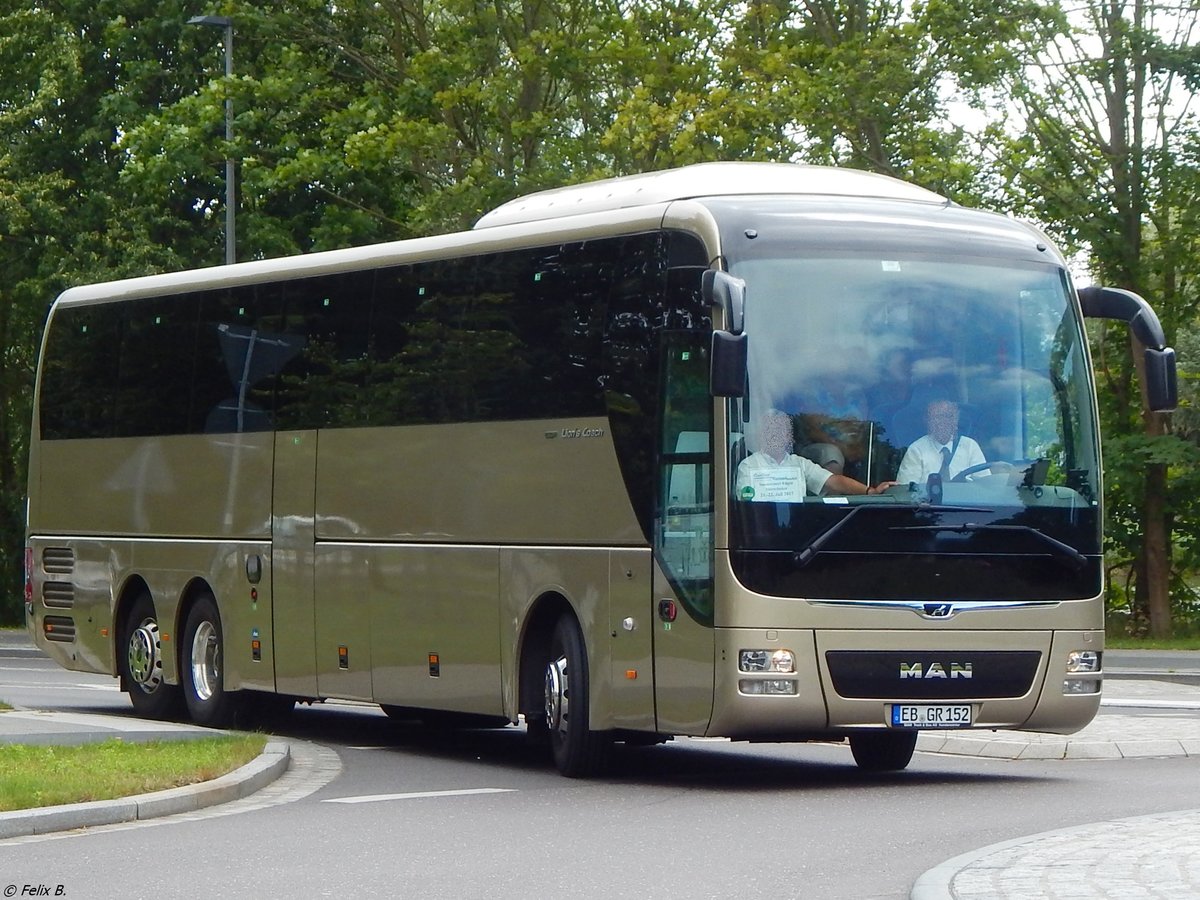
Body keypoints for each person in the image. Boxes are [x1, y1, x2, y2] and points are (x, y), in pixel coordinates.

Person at [736, 411, 892, 502]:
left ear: (789, 436)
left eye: (782, 430)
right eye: (772, 430)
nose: (777, 435)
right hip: (761, 529)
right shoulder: (749, 465)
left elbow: (834, 481)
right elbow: (746, 501)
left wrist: (870, 492)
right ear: (763, 435)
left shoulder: (799, 463)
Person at [896, 399, 986, 484]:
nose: (941, 422)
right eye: (936, 417)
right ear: (927, 422)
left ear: (956, 420)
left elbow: (985, 485)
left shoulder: (970, 447)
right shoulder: (916, 450)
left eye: (947, 416)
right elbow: (906, 492)